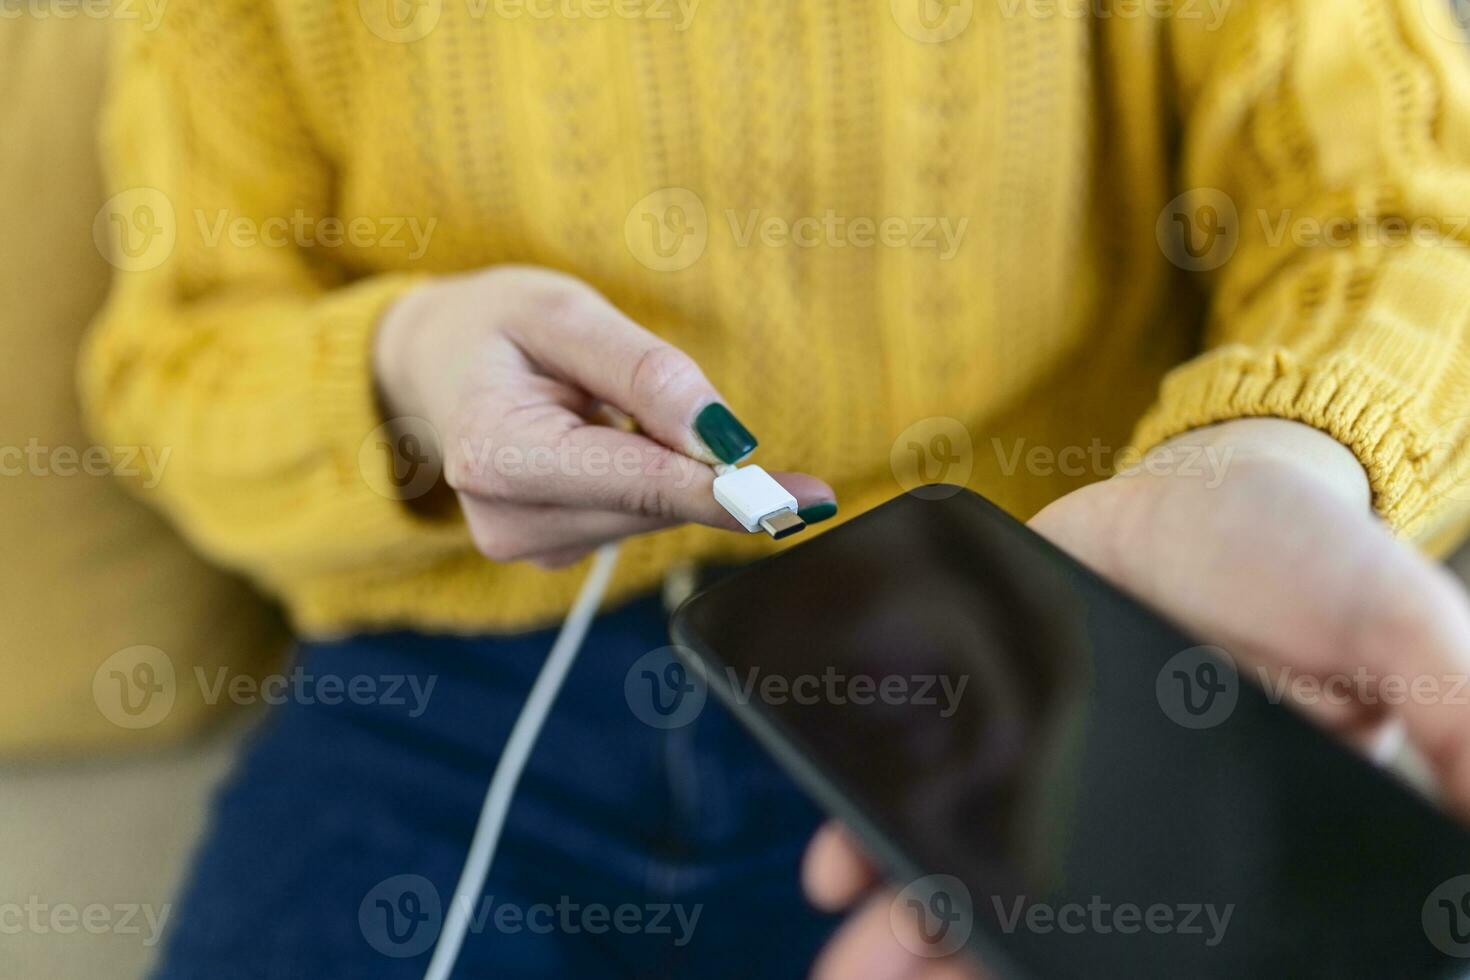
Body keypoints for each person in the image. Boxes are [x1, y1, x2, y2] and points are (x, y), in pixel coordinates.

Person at [83, 1, 1470, 977]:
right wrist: (402, 370)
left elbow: (1399, 209)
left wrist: (1263, 456)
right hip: (452, 702)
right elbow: (174, 375)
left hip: (1022, 637)